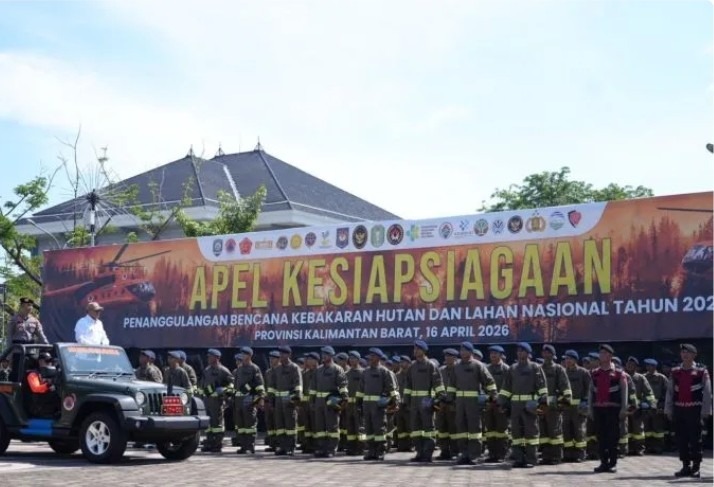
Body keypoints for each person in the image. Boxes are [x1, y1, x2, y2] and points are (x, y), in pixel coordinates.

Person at [665, 343, 713, 478]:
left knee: (695, 439)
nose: (684, 355)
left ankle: (696, 467)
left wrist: (706, 410)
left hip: (694, 410)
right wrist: (668, 409)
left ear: (694, 355)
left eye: (688, 352)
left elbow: (707, 392)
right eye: (683, 352)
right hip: (679, 409)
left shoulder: (701, 371)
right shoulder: (675, 371)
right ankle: (685, 466)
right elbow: (670, 391)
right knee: (681, 439)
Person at [498, 342, 548, 469]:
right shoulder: (512, 368)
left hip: (530, 406)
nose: (520, 353)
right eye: (518, 351)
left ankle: (531, 459)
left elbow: (542, 386)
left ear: (528, 353)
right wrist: (502, 402)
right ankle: (519, 458)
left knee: (531, 432)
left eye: (522, 351)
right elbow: (506, 387)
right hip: (515, 405)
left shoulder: (535, 367)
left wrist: (543, 401)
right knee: (516, 433)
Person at [452, 341, 497, 465]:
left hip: (473, 402)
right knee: (461, 429)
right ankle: (464, 454)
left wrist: (493, 396)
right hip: (460, 402)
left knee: (474, 429)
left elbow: (489, 382)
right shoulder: (456, 366)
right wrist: (450, 399)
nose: (462, 353)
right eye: (461, 350)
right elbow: (451, 385)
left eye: (465, 350)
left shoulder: (478, 365)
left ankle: (474, 455)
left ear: (471, 352)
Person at [402, 340, 445, 463]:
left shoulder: (430, 365)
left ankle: (427, 454)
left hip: (426, 401)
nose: (415, 351)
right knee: (416, 429)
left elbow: (438, 383)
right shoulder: (412, 366)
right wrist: (406, 400)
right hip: (414, 402)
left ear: (424, 351)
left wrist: (439, 398)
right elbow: (408, 385)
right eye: (414, 349)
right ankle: (419, 452)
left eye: (418, 349)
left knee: (428, 429)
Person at [589, 344, 628, 474]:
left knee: (613, 437)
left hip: (613, 410)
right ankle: (603, 463)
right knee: (601, 437)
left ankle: (613, 463)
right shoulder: (594, 373)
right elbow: (591, 393)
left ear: (610, 356)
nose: (601, 355)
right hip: (599, 409)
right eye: (600, 353)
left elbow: (624, 392)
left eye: (604, 353)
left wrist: (624, 409)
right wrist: (590, 409)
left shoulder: (619, 373)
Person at [358, 347, 398, 461]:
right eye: (370, 356)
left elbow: (392, 389)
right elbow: (361, 389)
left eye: (373, 356)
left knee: (379, 429)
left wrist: (394, 402)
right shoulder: (365, 372)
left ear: (378, 358)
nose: (370, 358)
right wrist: (358, 403)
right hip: (367, 405)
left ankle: (380, 451)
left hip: (378, 406)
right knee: (369, 429)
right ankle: (371, 451)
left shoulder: (384, 372)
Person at [310, 346, 348, 458]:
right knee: (320, 427)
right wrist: (312, 401)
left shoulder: (337, 369)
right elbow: (313, 388)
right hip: (319, 402)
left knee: (332, 426)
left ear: (331, 356)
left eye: (326, 354)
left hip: (331, 402)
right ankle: (321, 448)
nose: (324, 356)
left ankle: (331, 449)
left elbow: (342, 386)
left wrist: (344, 398)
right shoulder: (318, 370)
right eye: (323, 354)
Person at [539, 344, 572, 465]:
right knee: (543, 433)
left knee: (555, 432)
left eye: (548, 352)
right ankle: (546, 456)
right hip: (541, 406)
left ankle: (556, 456)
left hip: (554, 406)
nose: (546, 355)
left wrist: (562, 403)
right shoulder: (538, 369)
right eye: (544, 352)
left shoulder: (558, 369)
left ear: (553, 355)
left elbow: (565, 388)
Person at [267, 345, 302, 456]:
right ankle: (282, 446)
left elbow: (298, 385)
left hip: (289, 399)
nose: (281, 356)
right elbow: (272, 386)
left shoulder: (294, 368)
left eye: (283, 354)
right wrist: (271, 400)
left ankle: (290, 447)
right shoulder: (277, 369)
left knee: (290, 424)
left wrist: (296, 399)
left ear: (289, 355)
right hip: (278, 400)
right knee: (280, 425)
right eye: (280, 354)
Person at [232, 347, 265, 454]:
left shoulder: (254, 368)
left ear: (250, 356)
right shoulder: (239, 369)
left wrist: (260, 399)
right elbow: (235, 386)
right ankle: (243, 446)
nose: (242, 356)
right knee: (240, 425)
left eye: (245, 354)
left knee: (249, 423)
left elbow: (259, 385)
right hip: (239, 400)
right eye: (242, 354)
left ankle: (250, 446)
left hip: (249, 399)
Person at [200, 348, 234, 452]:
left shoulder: (223, 370)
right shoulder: (207, 370)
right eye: (208, 357)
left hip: (217, 401)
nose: (208, 358)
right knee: (209, 424)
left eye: (210, 357)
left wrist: (224, 391)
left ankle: (218, 443)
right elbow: (202, 385)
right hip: (207, 401)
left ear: (217, 358)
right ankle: (209, 442)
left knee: (217, 424)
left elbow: (232, 384)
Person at [562, 349, 591, 463]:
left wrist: (586, 401)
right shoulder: (563, 372)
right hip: (566, 407)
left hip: (579, 408)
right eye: (566, 359)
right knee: (566, 430)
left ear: (575, 360)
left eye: (569, 359)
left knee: (579, 431)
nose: (567, 361)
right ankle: (568, 454)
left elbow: (589, 388)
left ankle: (580, 454)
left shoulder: (583, 372)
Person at [625, 356, 656, 456]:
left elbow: (649, 392)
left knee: (638, 429)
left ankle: (639, 448)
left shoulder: (640, 378)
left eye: (632, 364)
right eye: (628, 364)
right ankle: (628, 448)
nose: (630, 366)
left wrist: (651, 404)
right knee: (627, 429)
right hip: (625, 407)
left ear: (636, 367)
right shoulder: (622, 376)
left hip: (637, 408)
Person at [484, 345, 510, 463]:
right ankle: (492, 454)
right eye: (491, 353)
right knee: (490, 430)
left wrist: (503, 403)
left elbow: (509, 387)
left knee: (501, 430)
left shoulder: (507, 369)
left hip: (501, 405)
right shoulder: (486, 368)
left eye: (495, 353)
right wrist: (487, 400)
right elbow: (482, 386)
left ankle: (501, 454)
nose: (493, 355)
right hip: (489, 405)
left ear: (501, 355)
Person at [643, 358, 668, 454]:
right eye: (647, 366)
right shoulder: (643, 377)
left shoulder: (662, 378)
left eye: (651, 366)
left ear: (655, 367)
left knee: (658, 429)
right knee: (646, 428)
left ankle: (658, 447)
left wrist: (662, 406)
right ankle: (648, 447)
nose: (648, 368)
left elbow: (667, 394)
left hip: (658, 407)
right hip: (646, 407)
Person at [345, 350, 365, 456]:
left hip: (359, 404)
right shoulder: (346, 374)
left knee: (360, 427)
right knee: (350, 427)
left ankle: (361, 447)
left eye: (354, 358)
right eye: (350, 358)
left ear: (358, 360)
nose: (352, 360)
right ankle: (351, 447)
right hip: (349, 405)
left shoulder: (363, 373)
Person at [26, 352, 59, 417]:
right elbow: (35, 388)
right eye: (47, 361)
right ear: (40, 362)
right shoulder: (33, 374)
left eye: (50, 361)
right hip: (38, 404)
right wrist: (48, 385)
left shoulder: (53, 373)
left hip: (47, 401)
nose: (49, 363)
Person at [263, 350, 281, 452]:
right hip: (269, 401)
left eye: (273, 358)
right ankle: (272, 443)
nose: (271, 360)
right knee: (270, 423)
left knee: (279, 423)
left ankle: (279, 443)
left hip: (278, 401)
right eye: (270, 359)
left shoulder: (281, 371)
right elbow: (266, 388)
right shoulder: (268, 372)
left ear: (278, 359)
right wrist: (265, 401)